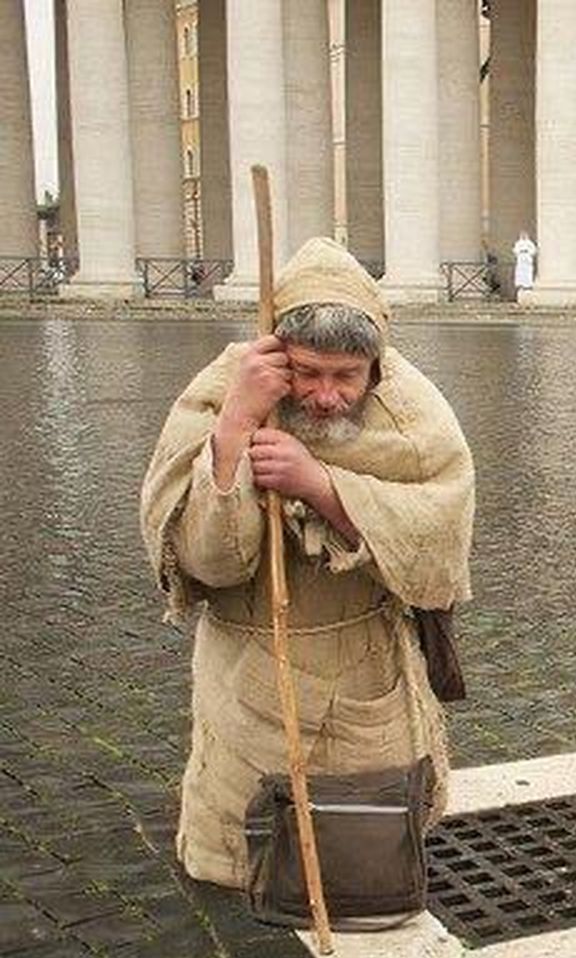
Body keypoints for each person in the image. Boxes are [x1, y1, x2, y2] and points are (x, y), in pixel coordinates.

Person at [139, 237, 476, 890]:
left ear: (374, 367)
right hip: (245, 676)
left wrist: (322, 487)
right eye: (307, 373)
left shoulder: (414, 413)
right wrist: (235, 426)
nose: (325, 396)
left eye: (345, 376)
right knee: (242, 868)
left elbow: (439, 542)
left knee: (360, 867)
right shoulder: (221, 395)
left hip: (359, 672)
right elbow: (207, 561)